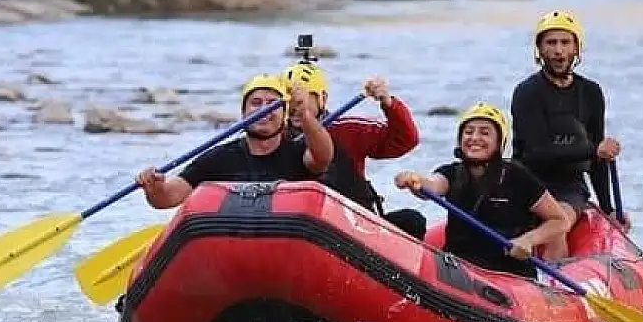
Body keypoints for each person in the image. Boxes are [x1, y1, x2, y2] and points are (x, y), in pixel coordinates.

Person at [392, 102, 571, 278]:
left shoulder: (518, 177)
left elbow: (559, 220)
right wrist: (414, 180)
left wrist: (529, 240)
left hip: (509, 274)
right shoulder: (451, 173)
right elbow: (432, 186)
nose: (474, 138)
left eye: (485, 133)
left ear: (499, 142)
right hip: (459, 271)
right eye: (468, 132)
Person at [509, 9, 630, 261]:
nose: (558, 50)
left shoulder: (591, 92)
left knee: (559, 223)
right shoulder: (526, 92)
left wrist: (607, 209)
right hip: (527, 180)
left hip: (568, 186)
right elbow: (537, 152)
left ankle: (554, 292)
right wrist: (592, 149)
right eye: (550, 43)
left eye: (565, 42)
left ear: (576, 48)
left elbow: (598, 162)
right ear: (539, 50)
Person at [135, 73, 333, 209]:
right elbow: (168, 197)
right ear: (243, 112)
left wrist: (305, 115)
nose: (264, 110)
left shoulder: (299, 151)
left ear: (285, 115)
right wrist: (154, 188)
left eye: (272, 104)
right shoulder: (219, 158)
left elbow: (323, 157)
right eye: (256, 103)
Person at [282, 61, 427, 239]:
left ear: (323, 99)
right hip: (298, 226)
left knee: (412, 221)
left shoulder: (347, 129)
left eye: (303, 100)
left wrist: (388, 102)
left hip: (356, 226)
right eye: (288, 100)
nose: (294, 107)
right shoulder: (272, 138)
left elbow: (405, 139)